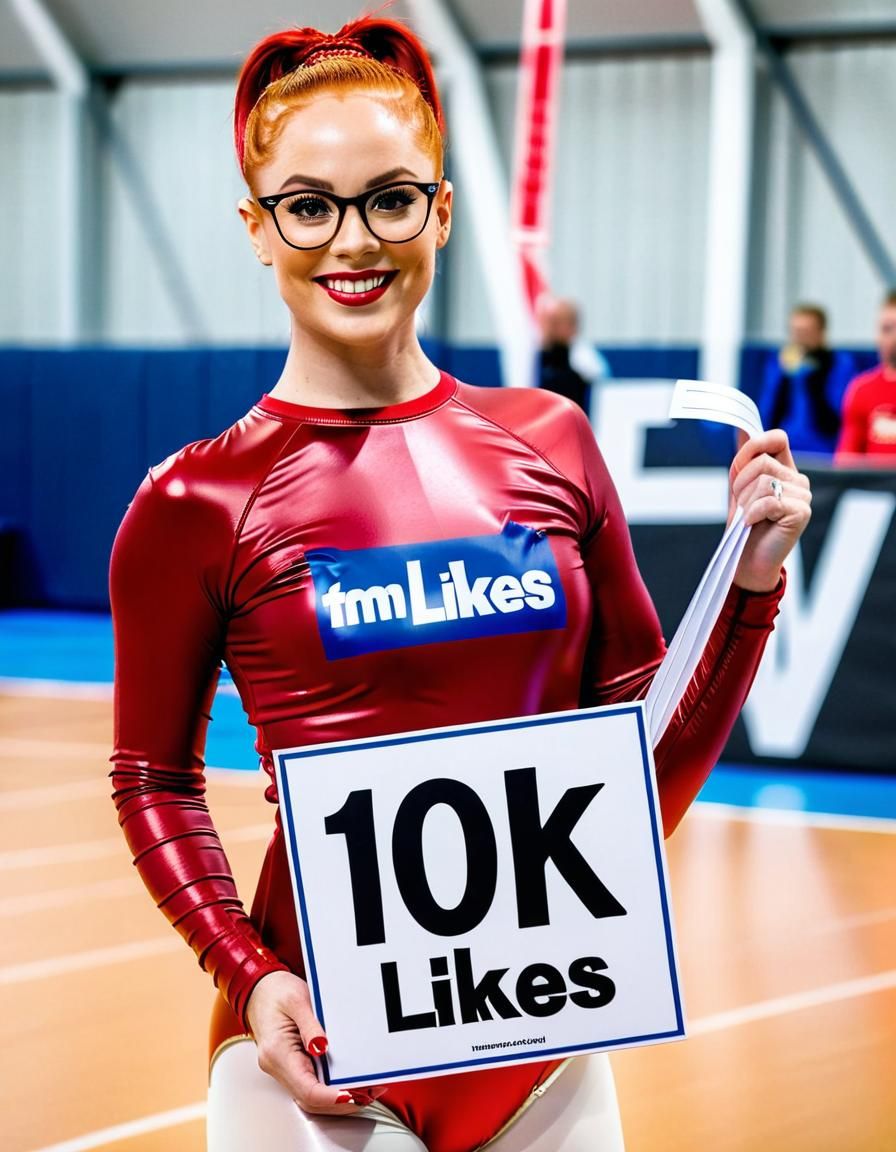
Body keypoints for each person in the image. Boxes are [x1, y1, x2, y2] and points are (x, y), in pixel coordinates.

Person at [109, 16, 812, 1152]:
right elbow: (153, 779)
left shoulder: (549, 440)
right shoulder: (195, 506)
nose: (352, 241)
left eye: (389, 197)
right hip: (322, 1059)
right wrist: (247, 977)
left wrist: (749, 589)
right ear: (256, 227)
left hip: (548, 1055)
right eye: (308, 204)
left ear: (439, 209)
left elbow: (634, 776)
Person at [757, 302, 854, 456]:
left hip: (823, 453)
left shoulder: (839, 364)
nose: (800, 339)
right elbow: (767, 413)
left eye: (806, 332)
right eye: (795, 332)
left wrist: (813, 377)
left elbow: (840, 417)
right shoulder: (778, 364)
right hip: (785, 451)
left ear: (821, 333)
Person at [835, 290, 896, 462]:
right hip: (872, 487)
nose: (891, 338)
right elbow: (847, 457)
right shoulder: (862, 389)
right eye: (885, 329)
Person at [536, 296, 610, 415]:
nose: (551, 328)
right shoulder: (535, 358)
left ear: (573, 326)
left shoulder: (584, 359)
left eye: (557, 322)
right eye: (551, 322)